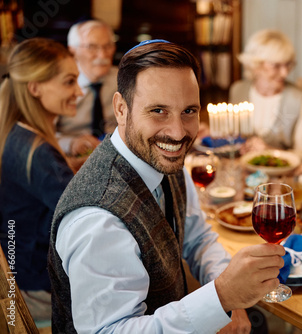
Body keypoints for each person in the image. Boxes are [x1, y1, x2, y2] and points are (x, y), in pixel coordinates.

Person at [48, 39, 285, 333]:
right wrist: (221, 297)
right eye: (158, 110)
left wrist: (228, 299)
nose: (177, 133)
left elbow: (198, 238)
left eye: (189, 111)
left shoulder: (161, 159)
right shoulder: (97, 220)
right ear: (121, 109)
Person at [0, 37, 81, 321]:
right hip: (35, 290)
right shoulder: (38, 153)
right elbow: (82, 216)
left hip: (19, 272)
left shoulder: (17, 135)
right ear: (34, 87)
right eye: (69, 82)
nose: (79, 91)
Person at [228, 29, 302, 161]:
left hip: (280, 177)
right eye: (276, 66)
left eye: (288, 64)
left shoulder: (298, 99)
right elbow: (230, 138)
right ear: (255, 65)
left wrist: (270, 151)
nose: (285, 73)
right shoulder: (238, 91)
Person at [56, 19, 118, 160]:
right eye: (91, 47)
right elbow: (39, 133)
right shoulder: (57, 84)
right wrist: (70, 144)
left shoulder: (124, 80)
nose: (102, 55)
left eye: (108, 46)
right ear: (72, 50)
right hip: (71, 158)